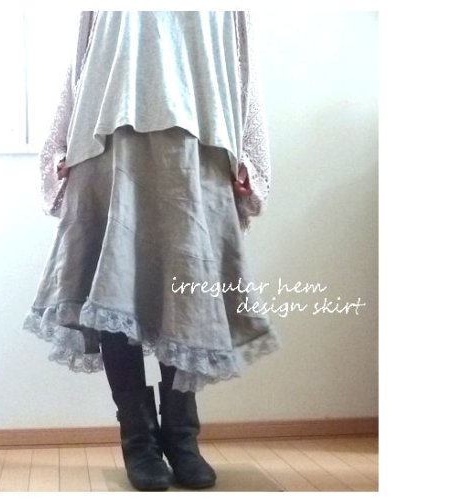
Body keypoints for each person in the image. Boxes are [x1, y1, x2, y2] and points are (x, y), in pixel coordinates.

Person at [24, 11, 279, 491]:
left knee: (187, 296)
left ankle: (182, 438)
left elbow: (241, 65)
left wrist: (250, 152)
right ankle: (138, 440)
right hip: (111, 148)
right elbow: (82, 59)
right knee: (112, 289)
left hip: (197, 149)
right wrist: (59, 144)